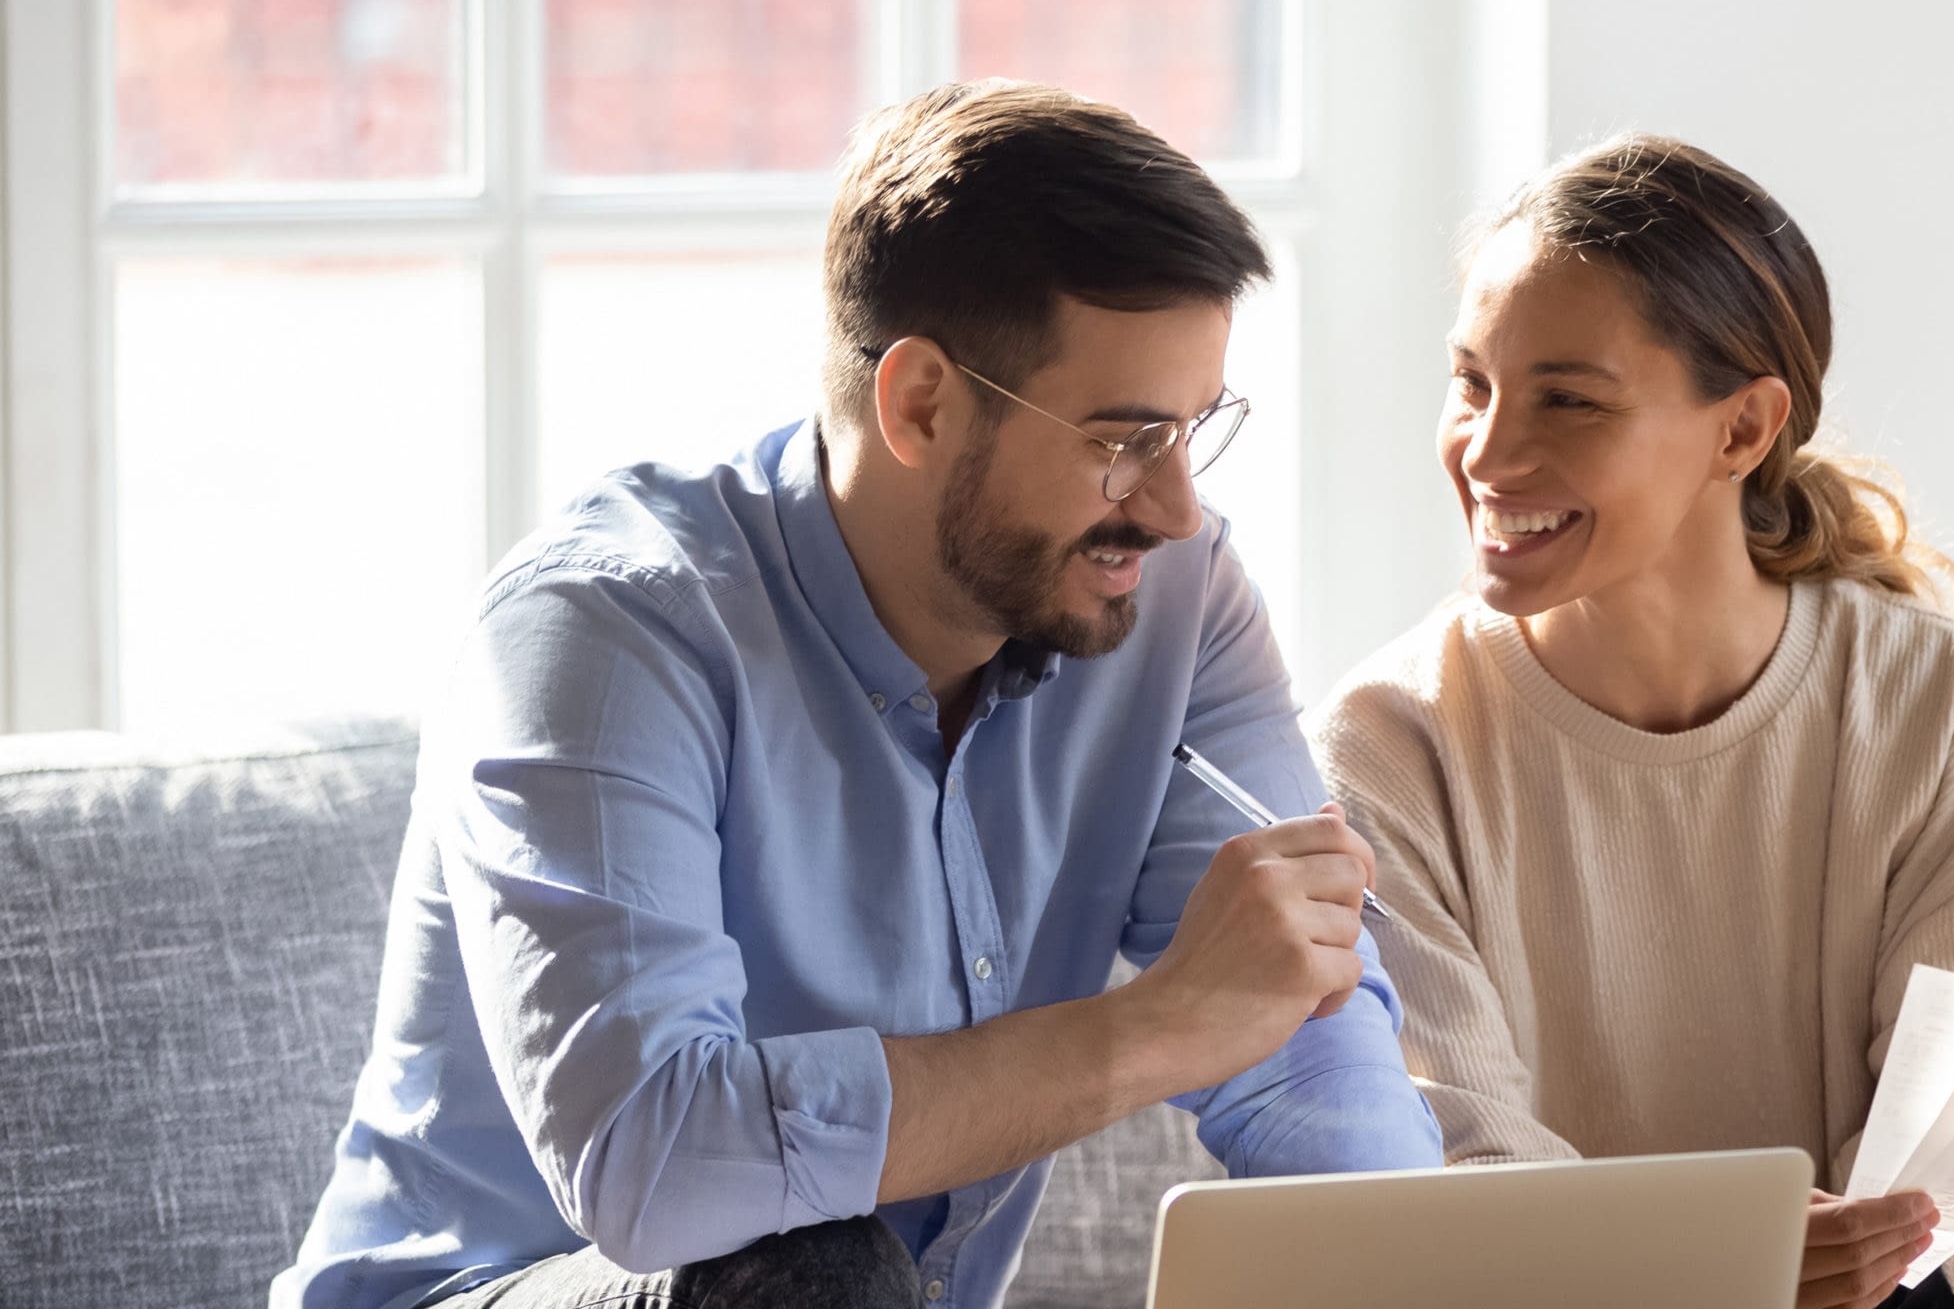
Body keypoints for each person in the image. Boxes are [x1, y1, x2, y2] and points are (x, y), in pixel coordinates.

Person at [274, 81, 1442, 1309]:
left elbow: (1298, 1030)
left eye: (1194, 431)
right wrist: (1153, 1029)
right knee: (814, 1270)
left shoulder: (1174, 598)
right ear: (920, 402)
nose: (1174, 507)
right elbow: (655, 1165)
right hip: (523, 1289)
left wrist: (1427, 1281)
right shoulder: (603, 630)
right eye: (1122, 439)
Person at [1307, 135, 1954, 1309]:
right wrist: (1721, 1264)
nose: (1489, 453)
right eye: (1471, 383)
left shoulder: (1941, 702)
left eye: (1566, 398)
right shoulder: (1385, 744)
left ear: (1742, 429)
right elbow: (1463, 1176)